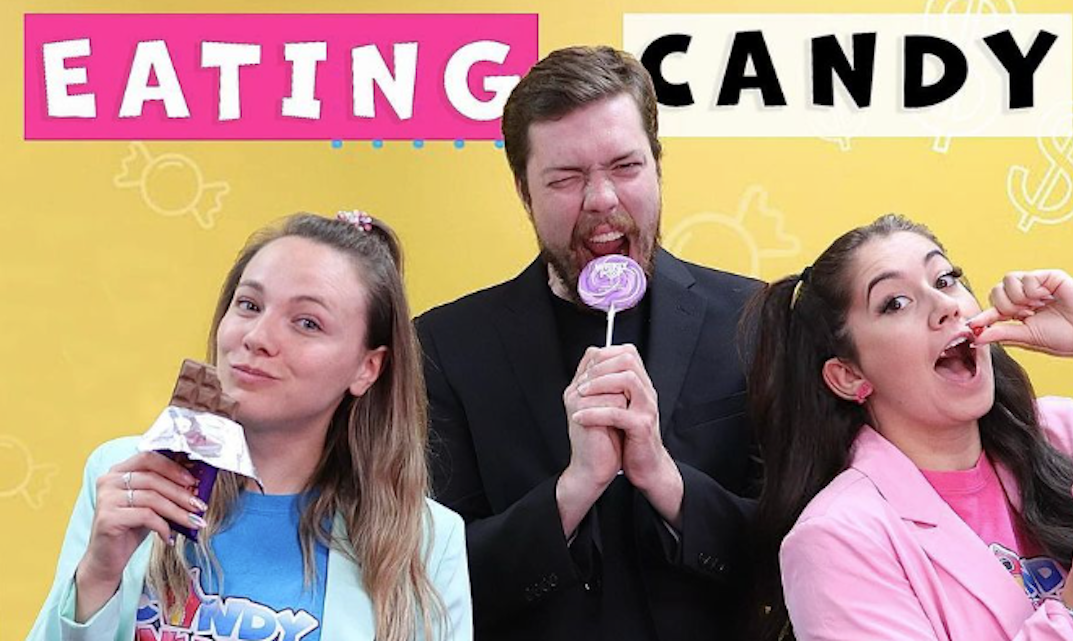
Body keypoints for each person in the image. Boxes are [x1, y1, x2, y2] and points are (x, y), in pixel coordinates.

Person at [746, 213, 1073, 641]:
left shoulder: (1061, 441)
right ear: (849, 375)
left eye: (946, 279)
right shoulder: (839, 538)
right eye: (896, 303)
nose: (945, 306)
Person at [414, 46, 759, 641]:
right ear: (524, 191)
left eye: (624, 166)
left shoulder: (752, 319)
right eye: (566, 178)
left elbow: (795, 547)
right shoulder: (445, 347)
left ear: (656, 167)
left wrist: (664, 478)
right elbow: (434, 581)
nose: (601, 198)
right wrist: (572, 491)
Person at [28, 212, 473, 641]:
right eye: (249, 305)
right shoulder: (126, 476)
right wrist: (98, 576)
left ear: (367, 368)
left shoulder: (426, 542)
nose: (257, 336)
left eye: (307, 323)